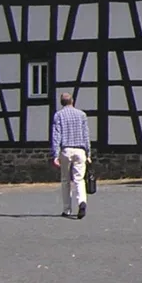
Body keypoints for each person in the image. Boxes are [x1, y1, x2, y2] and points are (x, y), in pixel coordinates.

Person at [51, 91, 90, 219]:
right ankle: (82, 202)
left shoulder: (59, 115)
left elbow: (56, 136)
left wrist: (55, 154)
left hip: (66, 150)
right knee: (79, 179)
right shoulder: (82, 115)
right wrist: (88, 152)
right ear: (72, 101)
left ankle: (67, 209)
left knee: (65, 180)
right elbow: (86, 135)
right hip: (80, 150)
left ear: (61, 102)